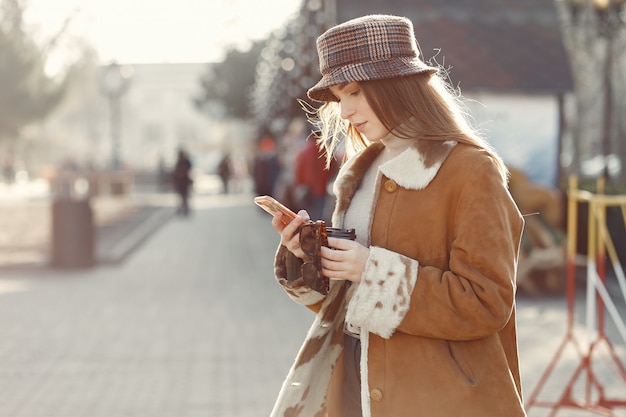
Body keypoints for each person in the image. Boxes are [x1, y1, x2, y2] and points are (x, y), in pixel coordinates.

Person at [266, 15, 526, 417]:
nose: (347, 110)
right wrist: (310, 260)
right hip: (358, 386)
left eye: (355, 92)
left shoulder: (471, 170)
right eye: (339, 96)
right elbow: (353, 304)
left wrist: (372, 271)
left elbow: (487, 302)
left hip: (441, 399)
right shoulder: (360, 172)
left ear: (397, 84)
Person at [172, 148, 192, 216]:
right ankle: (181, 209)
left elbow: (189, 169)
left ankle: (185, 209)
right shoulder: (179, 162)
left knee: (185, 197)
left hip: (185, 182)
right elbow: (175, 173)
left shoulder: (186, 162)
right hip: (180, 183)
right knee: (181, 197)